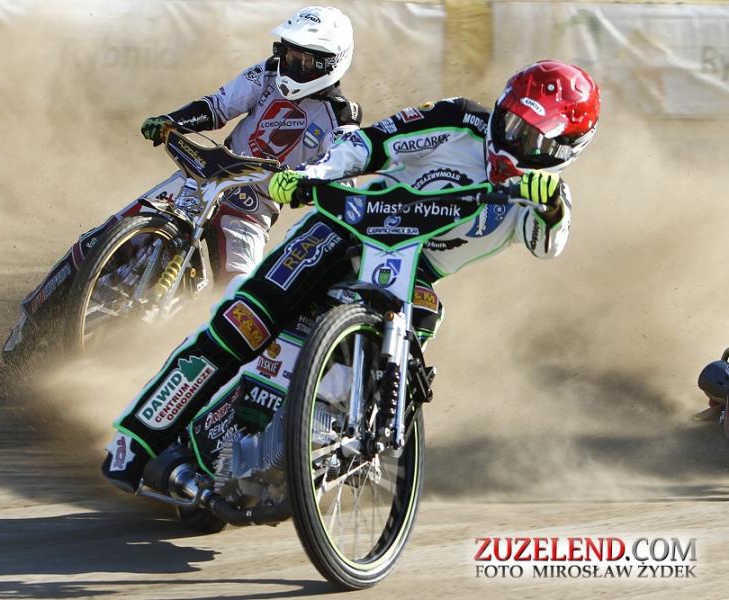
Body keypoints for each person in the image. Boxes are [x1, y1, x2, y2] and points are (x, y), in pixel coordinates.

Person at [102, 60, 601, 491]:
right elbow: (368, 143)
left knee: (425, 313)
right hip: (351, 227)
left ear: (565, 149)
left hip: (412, 271)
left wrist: (551, 205)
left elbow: (547, 243)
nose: (512, 139)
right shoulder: (458, 119)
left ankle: (347, 426)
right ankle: (137, 440)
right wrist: (311, 176)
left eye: (532, 137)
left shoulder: (545, 198)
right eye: (510, 121)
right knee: (246, 321)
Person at [131, 5, 361, 282]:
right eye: (290, 54)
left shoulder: (341, 118)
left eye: (305, 60)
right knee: (119, 228)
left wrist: (307, 184)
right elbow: (218, 106)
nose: (293, 64)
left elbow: (343, 183)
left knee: (240, 289)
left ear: (331, 63)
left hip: (255, 206)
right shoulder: (267, 72)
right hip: (206, 176)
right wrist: (171, 121)